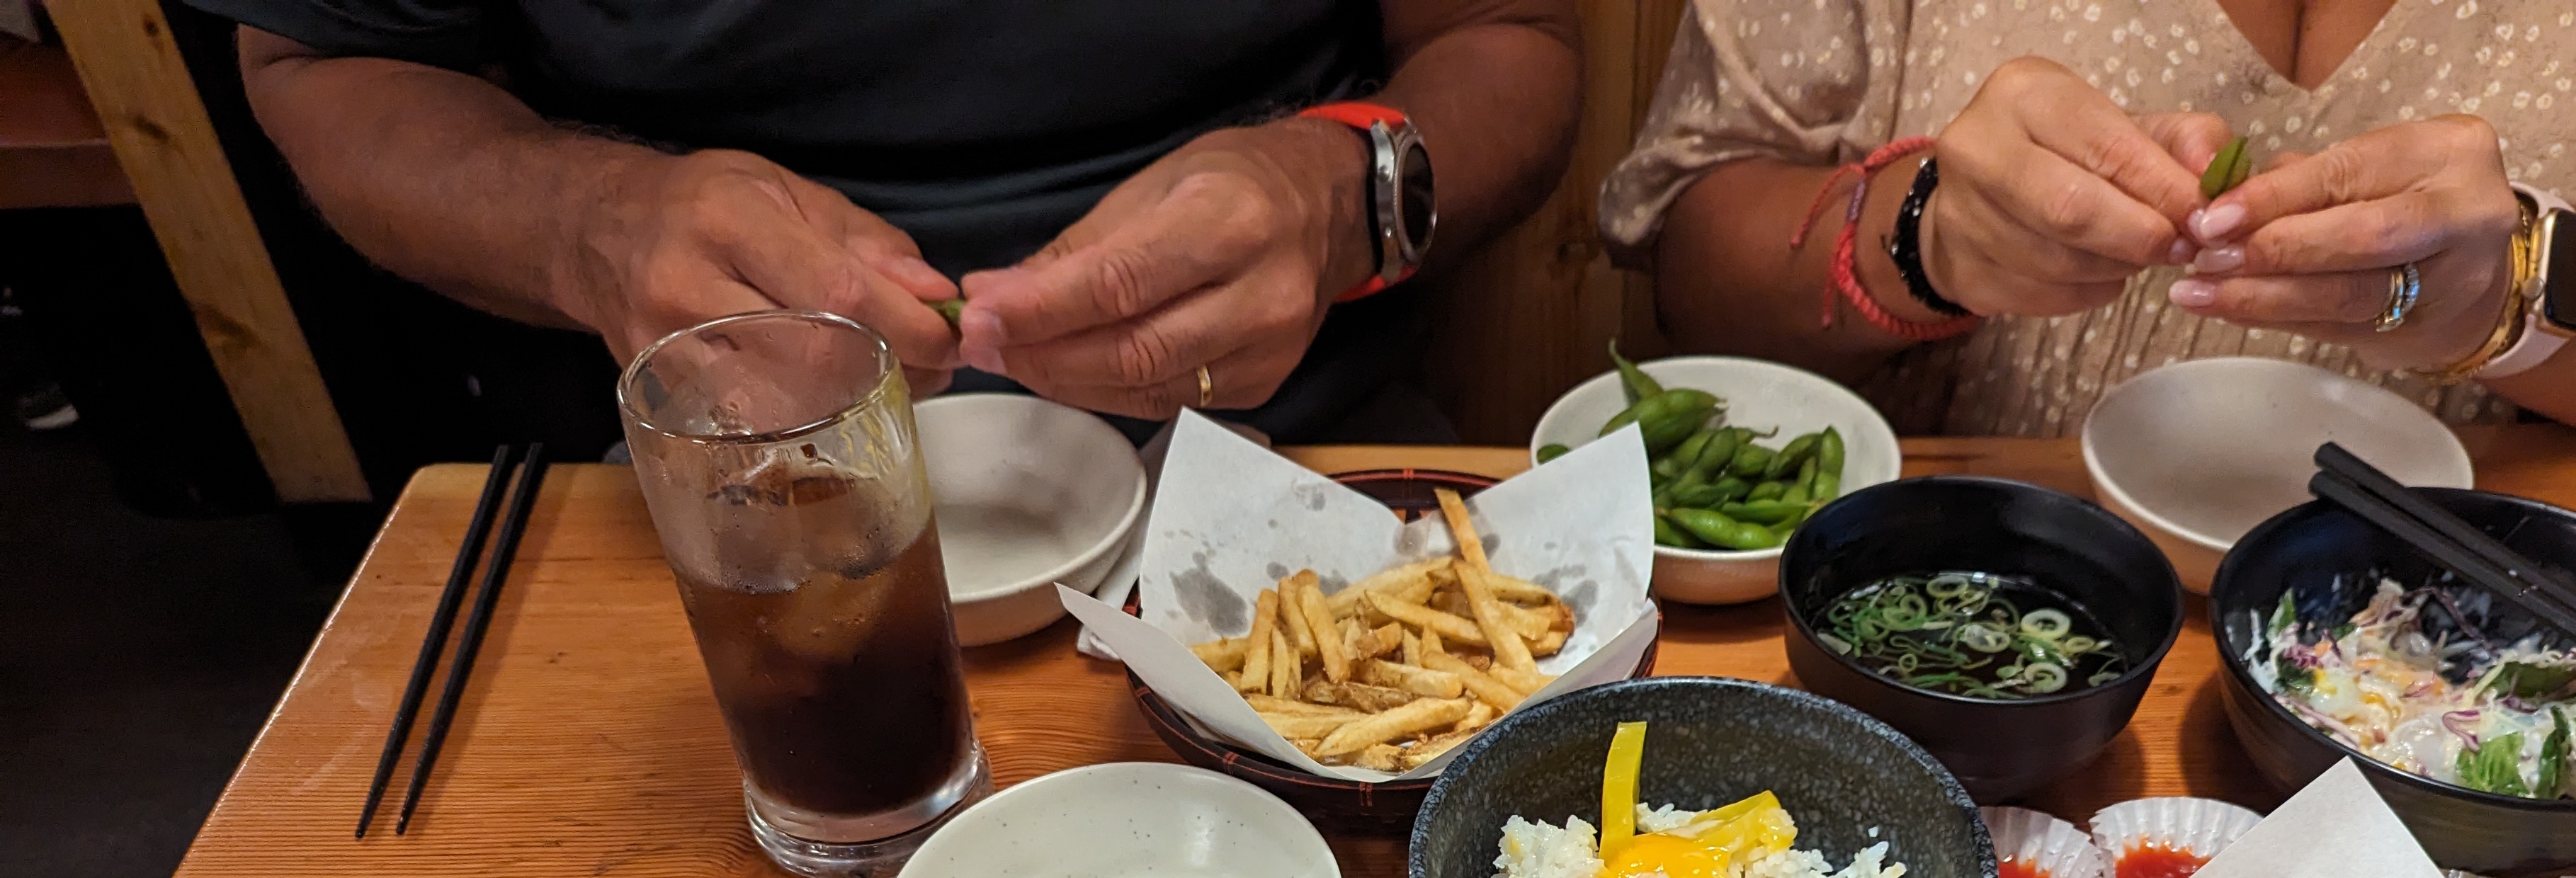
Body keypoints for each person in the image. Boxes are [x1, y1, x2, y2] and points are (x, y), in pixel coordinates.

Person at [195, 0, 1582, 438]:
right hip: (684, 488)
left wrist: (1340, 197)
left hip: (1293, 445)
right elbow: (324, 63)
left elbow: (1505, 35)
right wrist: (599, 226)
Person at [1600, 1, 2576, 440]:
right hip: (1974, 635)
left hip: (2514, 677)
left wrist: (2513, 294)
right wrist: (1929, 233)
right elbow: (1697, 267)